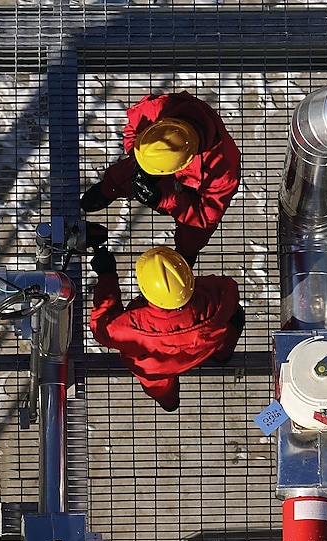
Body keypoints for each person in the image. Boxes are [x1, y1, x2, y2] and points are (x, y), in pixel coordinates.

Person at [79, 91, 241, 266]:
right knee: (129, 172)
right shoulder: (157, 108)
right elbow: (133, 127)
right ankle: (108, 189)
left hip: (192, 189)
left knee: (196, 230)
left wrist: (164, 199)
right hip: (156, 160)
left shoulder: (223, 170)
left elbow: (206, 214)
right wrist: (136, 154)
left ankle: (186, 252)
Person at [89, 245, 245, 412]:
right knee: (231, 326)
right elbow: (230, 288)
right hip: (204, 348)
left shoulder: (130, 326)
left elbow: (101, 327)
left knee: (159, 387)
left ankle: (170, 403)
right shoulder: (214, 296)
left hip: (156, 368)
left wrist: (107, 275)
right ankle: (222, 355)